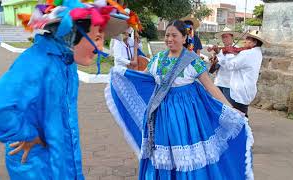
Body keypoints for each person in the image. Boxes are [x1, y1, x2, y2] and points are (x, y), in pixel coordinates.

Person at [0, 0, 129, 179]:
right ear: (72, 32)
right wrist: (28, 134)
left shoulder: (68, 65)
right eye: (97, 39)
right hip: (38, 167)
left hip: (64, 160)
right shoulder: (35, 62)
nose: (100, 48)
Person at [105, 20, 254, 180]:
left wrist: (230, 108)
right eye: (167, 35)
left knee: (185, 152)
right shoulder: (157, 59)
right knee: (165, 152)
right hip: (161, 115)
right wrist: (121, 74)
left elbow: (211, 87)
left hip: (187, 117)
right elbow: (144, 78)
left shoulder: (192, 61)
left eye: (174, 35)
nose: (170, 39)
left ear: (184, 38)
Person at [216, 30, 269, 117]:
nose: (244, 41)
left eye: (248, 39)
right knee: (242, 114)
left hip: (239, 91)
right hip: (247, 90)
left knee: (234, 116)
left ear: (254, 42)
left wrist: (220, 55)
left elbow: (230, 66)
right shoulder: (258, 53)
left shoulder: (247, 53)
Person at [208, 27, 240, 104]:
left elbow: (231, 65)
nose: (224, 39)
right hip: (219, 82)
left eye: (226, 37)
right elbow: (215, 67)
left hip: (230, 84)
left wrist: (219, 55)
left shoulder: (237, 50)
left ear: (232, 37)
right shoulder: (221, 50)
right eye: (223, 37)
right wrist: (213, 61)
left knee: (228, 107)